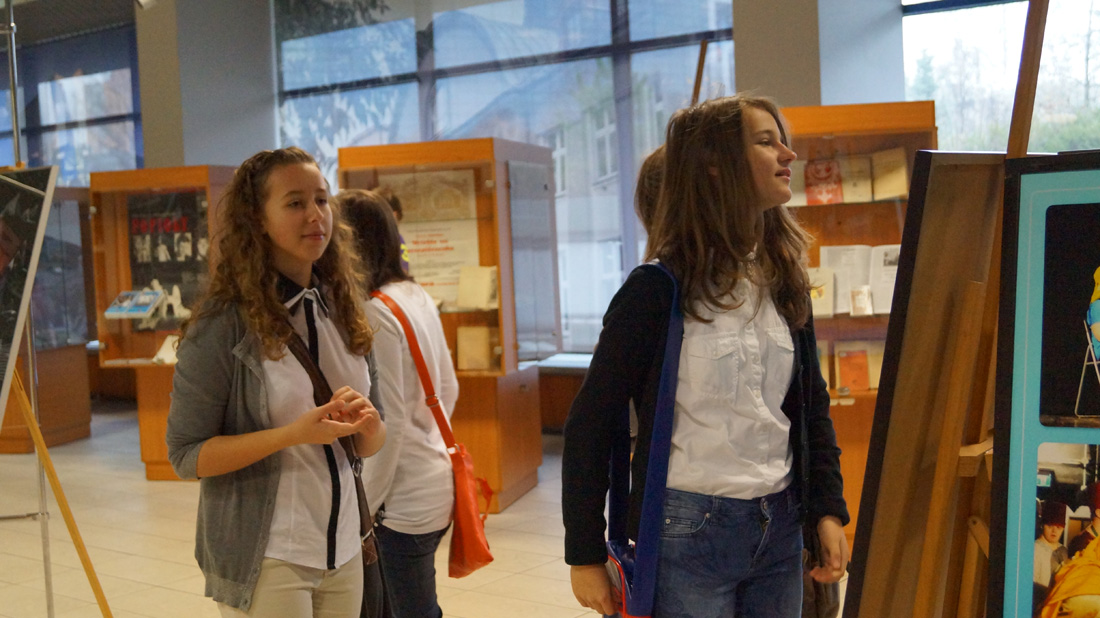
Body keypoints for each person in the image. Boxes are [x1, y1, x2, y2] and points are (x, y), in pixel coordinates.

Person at [562, 94, 849, 617]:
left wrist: (827, 509)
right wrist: (584, 553)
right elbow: (591, 422)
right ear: (715, 166)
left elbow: (811, 406)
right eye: (766, 142)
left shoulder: (784, 280)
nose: (788, 154)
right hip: (687, 530)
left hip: (781, 526)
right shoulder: (657, 289)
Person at [166, 147, 387, 617]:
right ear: (257, 220)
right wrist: (291, 435)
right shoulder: (223, 324)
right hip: (268, 557)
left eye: (322, 200)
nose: (315, 215)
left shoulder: (343, 307)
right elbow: (186, 456)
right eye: (295, 203)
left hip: (346, 548)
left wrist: (370, 427)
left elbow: (372, 438)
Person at [339, 188, 458, 618]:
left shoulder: (375, 311)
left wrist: (363, 510)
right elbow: (448, 389)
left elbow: (388, 426)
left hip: (400, 502)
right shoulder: (412, 293)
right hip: (434, 482)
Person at [1036, 501, 1071, 614]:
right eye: (1050, 526)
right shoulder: (1034, 550)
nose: (1054, 531)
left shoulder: (1064, 551)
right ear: (1043, 525)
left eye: (1058, 527)